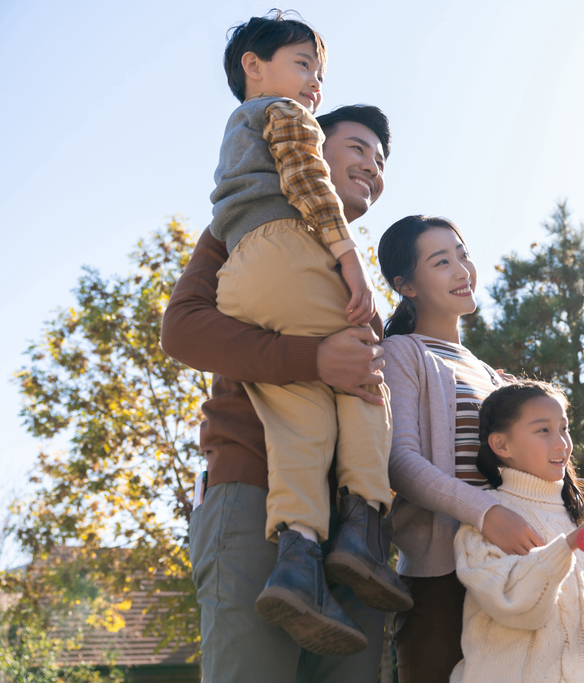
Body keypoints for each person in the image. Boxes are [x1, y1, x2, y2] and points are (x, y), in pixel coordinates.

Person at [161, 102, 393, 681]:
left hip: (352, 534)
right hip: (253, 494)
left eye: (382, 160)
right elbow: (182, 329)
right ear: (312, 153)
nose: (374, 168)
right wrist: (314, 358)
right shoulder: (243, 230)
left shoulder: (355, 283)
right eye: (357, 149)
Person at [209, 12, 409, 656]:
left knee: (301, 416)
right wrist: (349, 256)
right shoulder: (284, 117)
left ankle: (297, 560)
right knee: (364, 382)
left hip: (248, 279)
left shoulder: (235, 140)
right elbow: (304, 175)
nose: (313, 85)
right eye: (305, 65)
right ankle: (363, 529)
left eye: (319, 74)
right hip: (289, 253)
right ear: (253, 67)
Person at [377, 216, 545, 683]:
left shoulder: (492, 375)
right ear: (405, 284)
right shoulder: (402, 353)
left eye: (463, 254)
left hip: (508, 571)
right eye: (441, 261)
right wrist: (486, 513)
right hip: (440, 583)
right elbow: (400, 462)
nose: (462, 269)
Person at [451, 381, 584, 683]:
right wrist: (567, 545)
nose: (561, 443)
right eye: (543, 430)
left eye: (564, 429)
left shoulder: (577, 516)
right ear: (502, 445)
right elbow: (514, 603)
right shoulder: (489, 515)